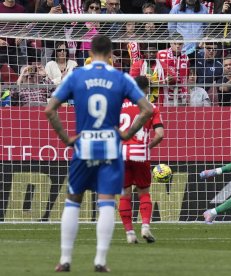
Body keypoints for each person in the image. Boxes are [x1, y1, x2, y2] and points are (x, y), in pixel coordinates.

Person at [45, 35, 153, 272]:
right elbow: (147, 109)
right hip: (110, 146)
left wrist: (67, 138)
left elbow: (50, 108)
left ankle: (65, 260)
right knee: (106, 201)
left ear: (90, 52)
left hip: (83, 146)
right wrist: (126, 134)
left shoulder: (76, 75)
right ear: (112, 53)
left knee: (73, 200)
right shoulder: (121, 77)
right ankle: (101, 261)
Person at [118, 76, 164, 244]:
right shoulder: (151, 107)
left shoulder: (118, 105)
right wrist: (148, 146)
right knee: (143, 192)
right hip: (140, 153)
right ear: (146, 89)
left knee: (124, 193)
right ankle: (145, 226)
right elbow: (160, 135)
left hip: (120, 152)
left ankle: (130, 233)